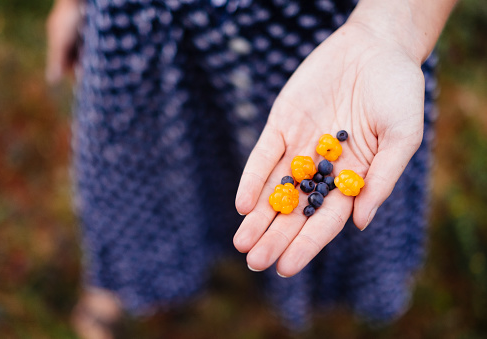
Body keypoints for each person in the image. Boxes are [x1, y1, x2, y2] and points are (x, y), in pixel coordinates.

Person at [46, 0, 457, 337]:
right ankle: (121, 280)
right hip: (146, 18)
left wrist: (392, 30)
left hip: (328, 33)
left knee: (288, 177)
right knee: (139, 163)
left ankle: (303, 296)